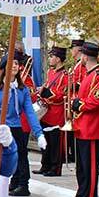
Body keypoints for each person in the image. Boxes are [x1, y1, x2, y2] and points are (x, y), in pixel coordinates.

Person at [0, 53, 46, 197]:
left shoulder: (21, 89)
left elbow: (30, 112)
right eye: (12, 63)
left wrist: (39, 133)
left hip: (14, 131)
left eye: (17, 63)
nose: (16, 66)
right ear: (3, 67)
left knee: (6, 171)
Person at [62, 42, 99, 197]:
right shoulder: (89, 75)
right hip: (83, 127)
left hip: (92, 129)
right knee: (81, 167)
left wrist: (78, 105)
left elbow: (97, 100)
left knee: (89, 168)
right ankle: (80, 195)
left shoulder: (98, 75)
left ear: (85, 56)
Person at [35, 46, 69, 177]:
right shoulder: (51, 72)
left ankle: (55, 168)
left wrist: (47, 93)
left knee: (55, 142)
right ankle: (45, 165)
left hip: (56, 113)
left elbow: (61, 95)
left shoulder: (65, 76)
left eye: (52, 56)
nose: (50, 59)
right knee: (46, 140)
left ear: (58, 59)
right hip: (47, 112)